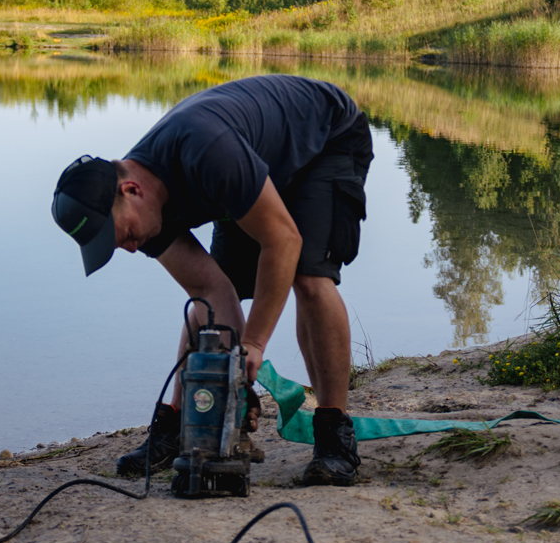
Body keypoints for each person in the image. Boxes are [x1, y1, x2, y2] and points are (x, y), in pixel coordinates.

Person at [51, 74, 373, 485]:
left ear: (131, 189)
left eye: (125, 236)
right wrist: (233, 382)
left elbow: (283, 240)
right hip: (254, 168)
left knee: (309, 275)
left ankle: (334, 433)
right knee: (207, 302)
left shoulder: (207, 150)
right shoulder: (143, 215)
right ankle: (175, 428)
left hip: (325, 138)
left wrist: (254, 345)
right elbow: (211, 293)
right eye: (118, 246)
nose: (131, 248)